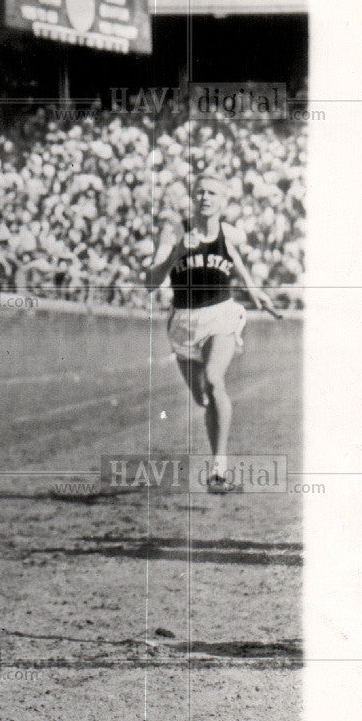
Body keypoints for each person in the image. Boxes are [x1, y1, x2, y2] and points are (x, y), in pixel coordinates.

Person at [144, 173, 280, 492]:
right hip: (183, 323)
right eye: (199, 192)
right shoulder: (174, 231)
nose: (204, 197)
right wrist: (176, 252)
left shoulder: (228, 233)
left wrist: (256, 292)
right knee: (203, 398)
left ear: (224, 201)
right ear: (193, 198)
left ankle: (219, 470)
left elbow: (238, 264)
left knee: (214, 380)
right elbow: (150, 282)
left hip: (222, 316)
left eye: (212, 193)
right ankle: (218, 464)